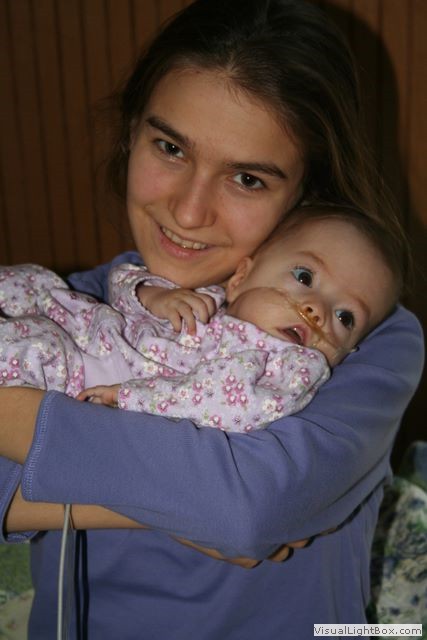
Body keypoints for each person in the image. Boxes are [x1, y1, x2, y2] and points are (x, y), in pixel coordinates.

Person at [0, 0, 424, 638]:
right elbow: (231, 511)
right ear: (131, 133)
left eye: (247, 178)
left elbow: (253, 512)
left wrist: (26, 445)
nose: (190, 212)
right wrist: (179, 506)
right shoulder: (79, 309)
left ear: (306, 193)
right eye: (170, 147)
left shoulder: (359, 336)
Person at [0, 205, 400, 433]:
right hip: (92, 328)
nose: (318, 311)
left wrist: (127, 397)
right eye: (304, 277)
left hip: (89, 380)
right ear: (240, 279)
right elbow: (120, 282)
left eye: (346, 317)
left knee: (30, 346)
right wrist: (153, 295)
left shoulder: (290, 370)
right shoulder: (211, 297)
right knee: (32, 283)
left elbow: (221, 404)